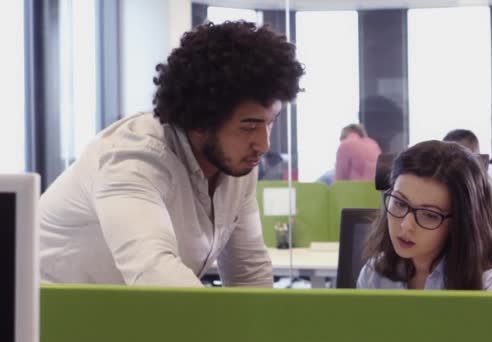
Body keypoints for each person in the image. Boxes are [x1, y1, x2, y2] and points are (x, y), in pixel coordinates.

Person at [38, 21, 305, 287]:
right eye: (249, 126)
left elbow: (248, 271)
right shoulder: (133, 160)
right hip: (45, 319)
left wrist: (263, 328)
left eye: (271, 122)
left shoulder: (235, 163)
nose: (263, 144)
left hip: (116, 317)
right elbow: (156, 274)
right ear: (201, 121)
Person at [357, 140, 492, 291]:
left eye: (429, 215)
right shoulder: (375, 275)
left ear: (459, 224)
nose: (406, 225)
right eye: (400, 203)